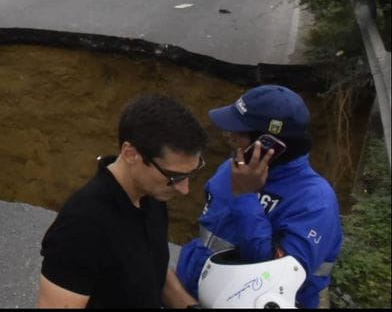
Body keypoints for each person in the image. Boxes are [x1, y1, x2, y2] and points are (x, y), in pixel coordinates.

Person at [176, 85, 342, 309]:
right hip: (189, 293)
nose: (229, 136)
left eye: (240, 132)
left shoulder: (315, 202)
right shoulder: (235, 166)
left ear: (271, 146)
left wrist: (246, 197)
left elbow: (271, 278)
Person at [38, 94, 207, 308]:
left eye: (190, 175)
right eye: (175, 177)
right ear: (130, 154)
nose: (184, 189)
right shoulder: (81, 227)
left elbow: (153, 270)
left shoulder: (151, 194)